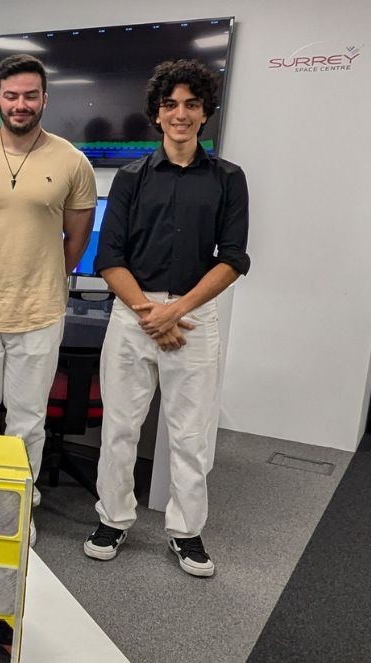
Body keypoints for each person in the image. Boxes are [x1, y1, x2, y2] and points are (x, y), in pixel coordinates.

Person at [84, 60, 250, 578]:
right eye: (171, 105)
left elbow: (234, 258)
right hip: (135, 313)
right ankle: (113, 518)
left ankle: (187, 532)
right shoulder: (132, 179)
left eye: (192, 105)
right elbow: (108, 258)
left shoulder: (228, 179)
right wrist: (148, 312)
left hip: (194, 316)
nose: (180, 114)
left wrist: (174, 312)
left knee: (191, 433)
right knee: (120, 428)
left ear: (206, 115)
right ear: (157, 114)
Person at [0, 54, 97, 542]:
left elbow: (76, 242)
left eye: (31, 95)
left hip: (39, 311)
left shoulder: (73, 161)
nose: (21, 104)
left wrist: (40, 274)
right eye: (11, 95)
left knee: (29, 419)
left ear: (45, 99)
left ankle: (15, 508)